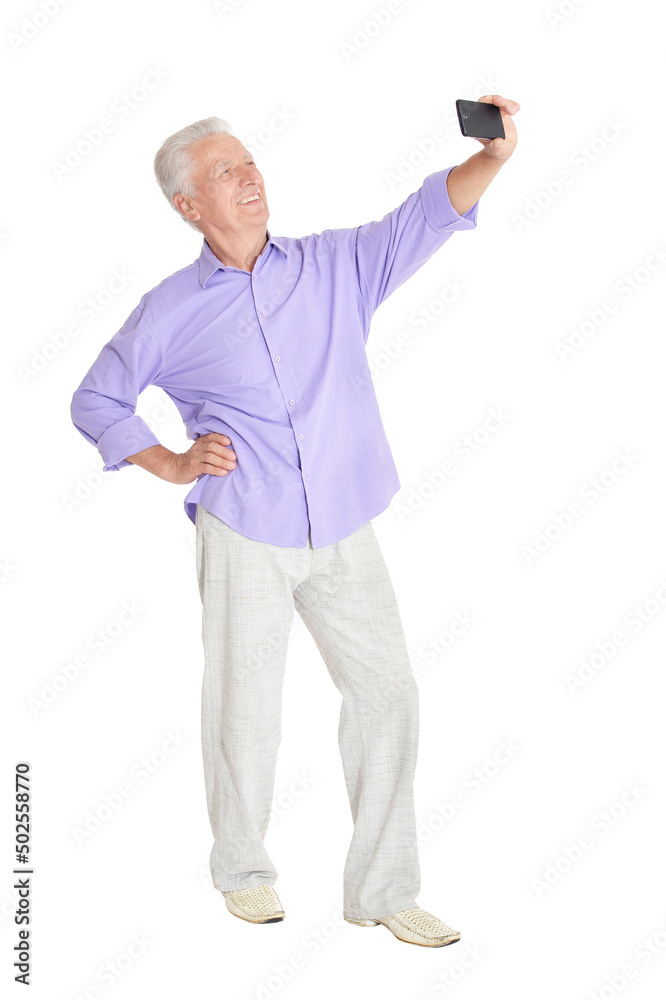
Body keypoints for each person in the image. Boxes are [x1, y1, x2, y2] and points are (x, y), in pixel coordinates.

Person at [70, 96, 519, 948]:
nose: (250, 177)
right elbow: (95, 399)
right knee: (245, 706)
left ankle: (383, 891)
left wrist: (491, 158)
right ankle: (244, 874)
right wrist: (170, 462)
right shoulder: (168, 310)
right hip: (245, 525)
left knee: (389, 694)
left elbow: (426, 214)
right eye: (225, 171)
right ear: (188, 205)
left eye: (250, 161)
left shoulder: (334, 266)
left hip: (344, 520)